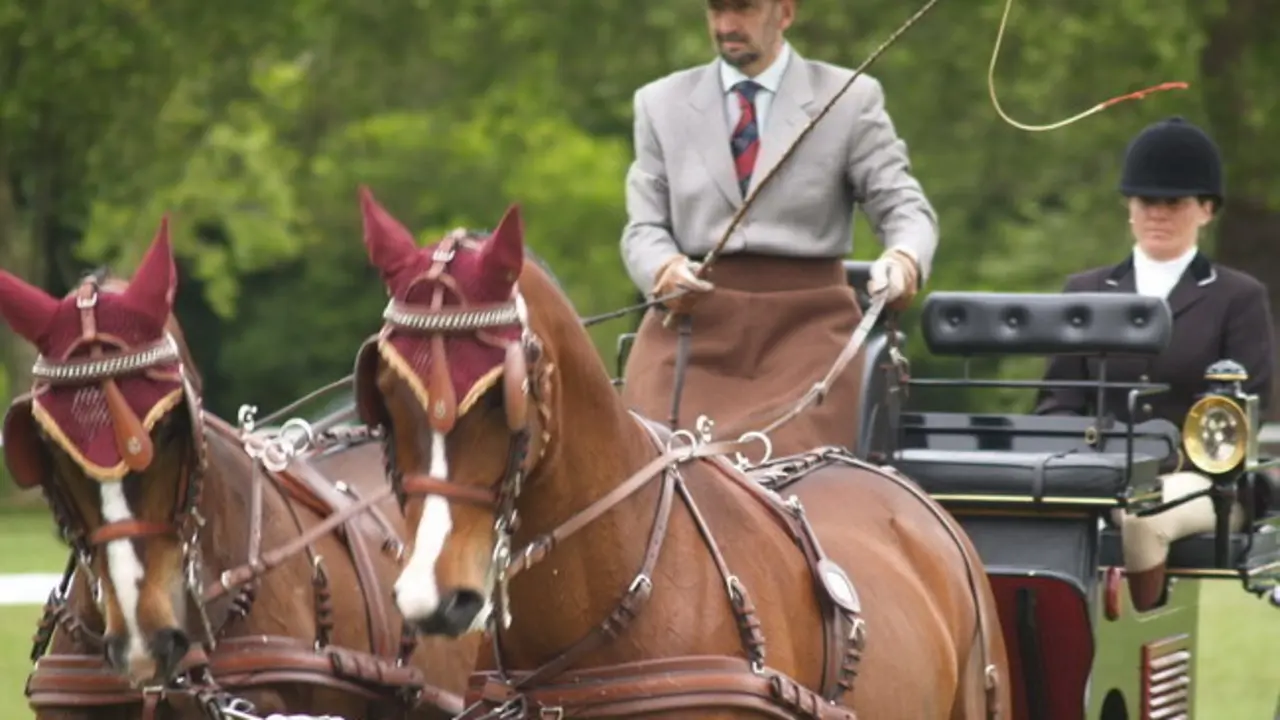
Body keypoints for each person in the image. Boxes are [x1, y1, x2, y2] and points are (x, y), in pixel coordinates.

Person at [618, 0, 938, 458]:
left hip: (807, 334)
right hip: (690, 330)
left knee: (791, 476)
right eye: (716, 9)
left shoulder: (850, 98)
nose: (727, 25)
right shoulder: (659, 103)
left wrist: (904, 259)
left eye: (744, 9)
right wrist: (664, 270)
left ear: (785, 13)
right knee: (642, 468)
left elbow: (905, 208)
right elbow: (643, 228)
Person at [1034, 115, 1275, 611]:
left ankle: (1145, 619)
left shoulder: (1238, 297)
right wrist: (1088, 458)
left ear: (1205, 210)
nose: (1158, 214)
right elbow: (1058, 399)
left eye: (1175, 203)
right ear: (1129, 206)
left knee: (1142, 518)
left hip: (1200, 480)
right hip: (1097, 470)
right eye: (1147, 202)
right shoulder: (1086, 291)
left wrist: (1153, 465)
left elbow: (1243, 413)